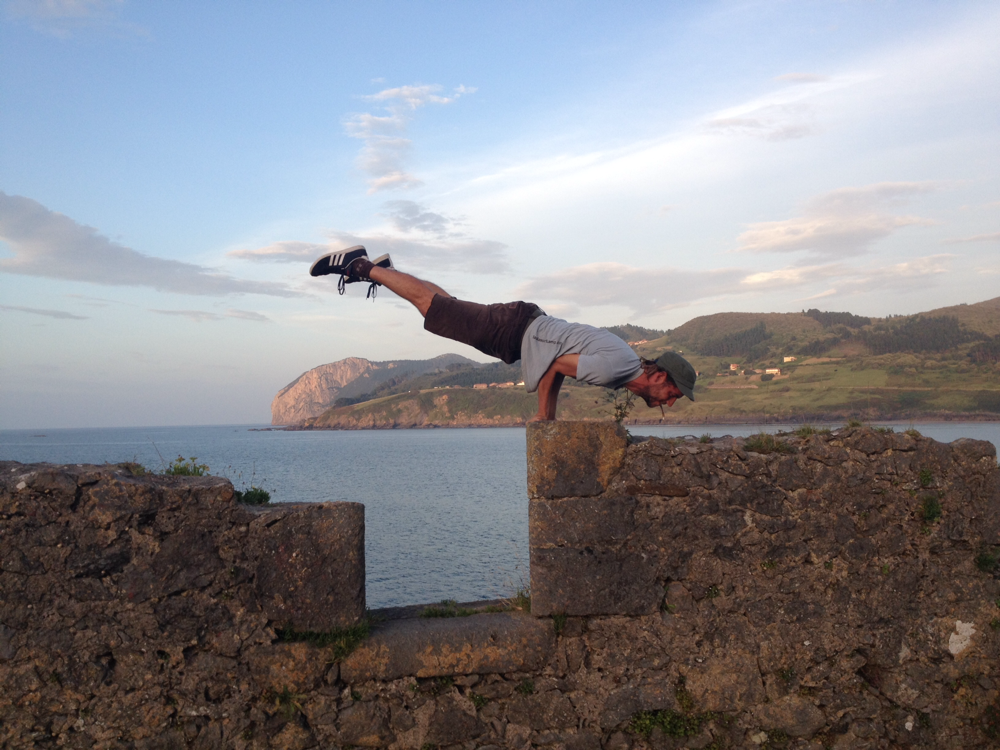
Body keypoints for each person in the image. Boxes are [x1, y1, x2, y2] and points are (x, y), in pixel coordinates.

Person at [310, 246, 697, 422]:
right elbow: (555, 365)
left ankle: (388, 271)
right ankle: (359, 265)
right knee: (437, 309)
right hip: (515, 331)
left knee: (444, 306)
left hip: (522, 326)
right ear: (660, 376)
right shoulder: (618, 371)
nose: (671, 401)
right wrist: (545, 419)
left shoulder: (626, 360)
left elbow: (559, 360)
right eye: (673, 394)